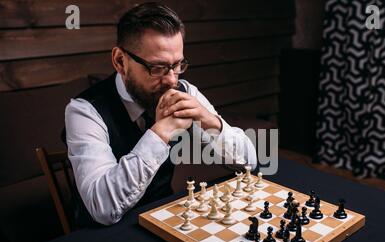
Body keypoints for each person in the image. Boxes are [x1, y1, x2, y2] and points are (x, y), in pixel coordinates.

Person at [64, 2, 257, 226]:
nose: (172, 80)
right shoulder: (84, 111)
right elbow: (103, 209)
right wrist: (161, 131)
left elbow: (249, 163)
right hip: (99, 237)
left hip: (162, 217)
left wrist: (209, 120)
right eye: (157, 68)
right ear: (120, 61)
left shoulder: (184, 90)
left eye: (177, 65)